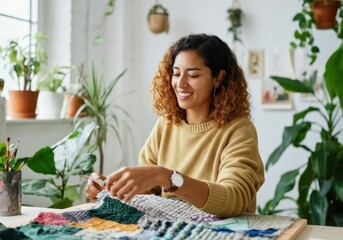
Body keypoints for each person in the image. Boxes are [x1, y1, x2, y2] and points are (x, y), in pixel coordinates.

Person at [86, 33, 265, 217]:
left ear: (218, 78)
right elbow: (149, 192)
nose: (180, 84)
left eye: (193, 75)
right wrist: (113, 188)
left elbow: (233, 199)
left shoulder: (239, 130)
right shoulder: (166, 125)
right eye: (176, 73)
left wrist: (169, 178)